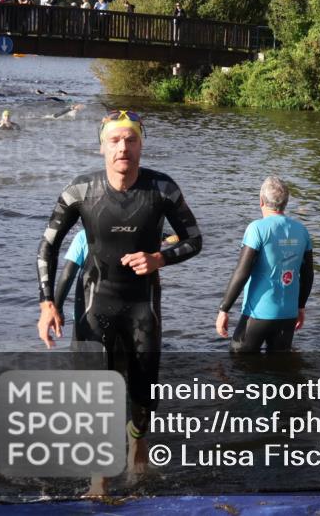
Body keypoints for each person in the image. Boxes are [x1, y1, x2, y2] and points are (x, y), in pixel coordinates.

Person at [36, 109, 202, 493]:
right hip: (95, 306)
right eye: (114, 140)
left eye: (131, 139)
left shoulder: (163, 189)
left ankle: (137, 443)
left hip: (143, 308)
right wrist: (48, 303)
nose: (122, 147)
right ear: (102, 147)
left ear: (141, 144)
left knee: (144, 398)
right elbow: (47, 246)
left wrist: (160, 258)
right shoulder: (80, 190)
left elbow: (194, 239)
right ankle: (100, 479)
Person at [216, 176, 313, 353]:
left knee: (238, 364)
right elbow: (308, 275)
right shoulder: (302, 230)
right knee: (280, 371)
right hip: (288, 315)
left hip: (258, 314)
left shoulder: (257, 228)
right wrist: (301, 307)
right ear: (286, 202)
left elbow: (242, 272)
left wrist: (224, 309)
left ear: (261, 201)